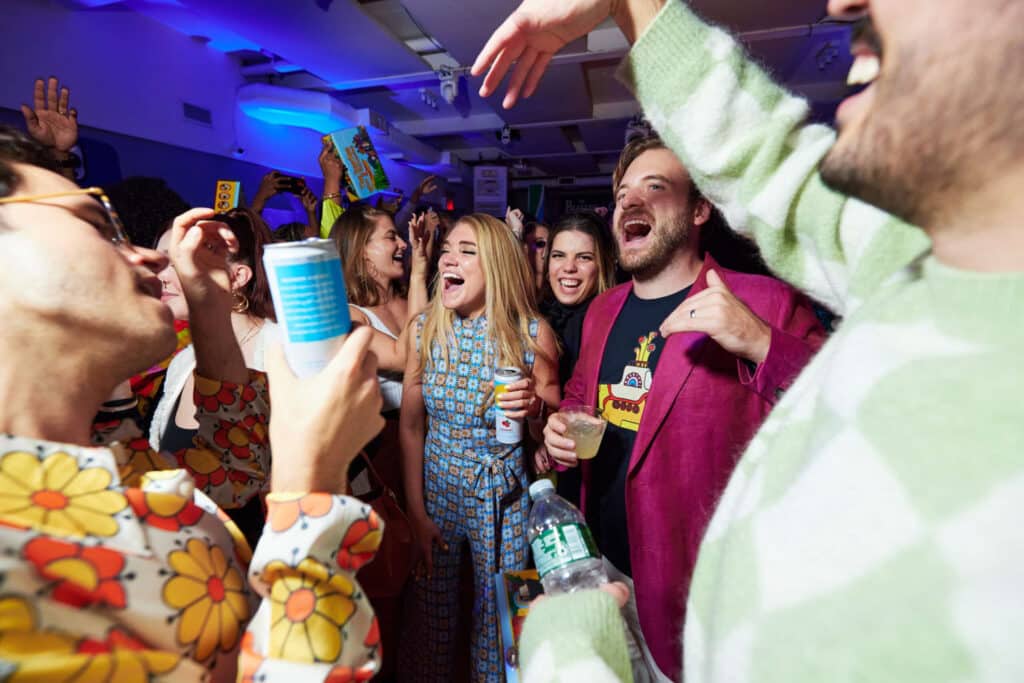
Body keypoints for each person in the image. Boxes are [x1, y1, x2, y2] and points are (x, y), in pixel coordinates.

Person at [475, 0, 1024, 681]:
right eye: (622, 192)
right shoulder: (604, 311)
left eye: (656, 187)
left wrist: (761, 342)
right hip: (603, 560)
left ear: (701, 208)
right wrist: (562, 427)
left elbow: (825, 381)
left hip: (680, 597)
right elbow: (774, 165)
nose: (629, 202)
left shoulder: (766, 302)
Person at [0, 124, 387, 681]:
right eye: (96, 226)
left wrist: (207, 302)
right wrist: (314, 482)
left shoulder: (108, 446)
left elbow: (232, 467)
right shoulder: (17, 564)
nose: (149, 258)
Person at [398, 213, 560, 682]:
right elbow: (411, 426)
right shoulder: (425, 328)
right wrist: (416, 512)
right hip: (437, 492)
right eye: (447, 249)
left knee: (506, 619)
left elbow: (551, 426)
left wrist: (536, 408)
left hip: (505, 496)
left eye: (467, 251)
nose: (449, 258)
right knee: (431, 615)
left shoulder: (533, 333)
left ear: (498, 265)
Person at [150, 207, 277, 547]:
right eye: (161, 262)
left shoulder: (280, 350)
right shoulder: (183, 361)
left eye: (178, 262)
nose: (161, 277)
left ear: (237, 277)